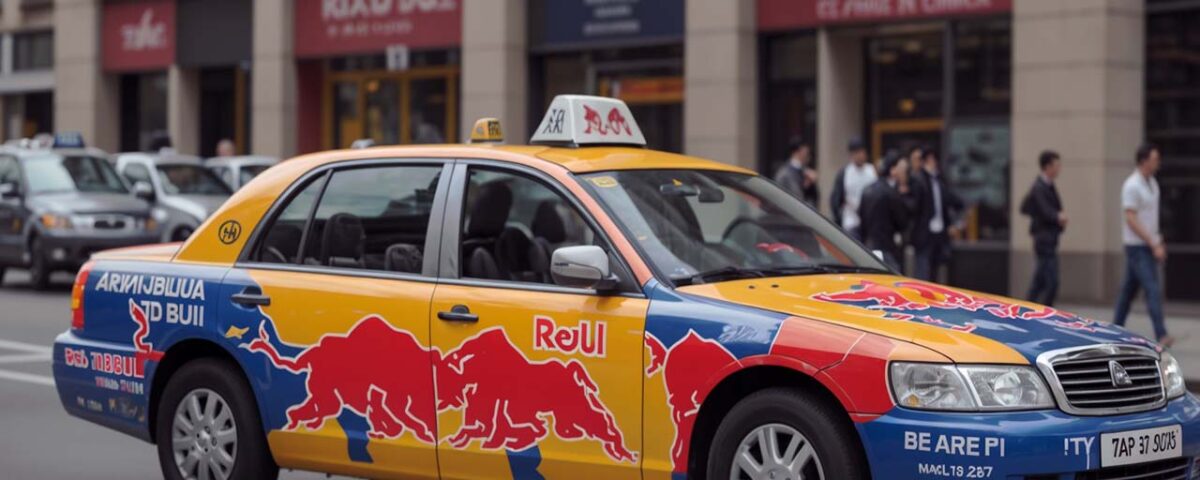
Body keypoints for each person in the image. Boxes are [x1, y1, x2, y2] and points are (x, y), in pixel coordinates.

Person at [1113, 144, 1173, 347]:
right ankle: (1161, 333)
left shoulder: (1152, 183)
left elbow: (1150, 217)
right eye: (1155, 159)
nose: (1158, 163)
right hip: (1137, 246)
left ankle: (1114, 328)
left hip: (1148, 243)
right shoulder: (1132, 185)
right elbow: (1131, 218)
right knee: (1152, 289)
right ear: (1143, 161)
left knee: (1128, 292)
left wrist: (1158, 240)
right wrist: (1152, 242)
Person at [1021, 150, 1066, 306]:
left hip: (1049, 238)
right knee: (1052, 282)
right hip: (1043, 238)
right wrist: (1058, 217)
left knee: (1039, 281)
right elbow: (1044, 210)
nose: (1058, 169)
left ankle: (1025, 309)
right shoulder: (1039, 187)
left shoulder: (1048, 185)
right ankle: (1044, 312)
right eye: (1056, 165)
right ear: (1047, 167)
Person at [858, 151, 916, 271]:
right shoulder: (892, 193)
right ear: (892, 170)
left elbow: (861, 218)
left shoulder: (867, 190)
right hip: (888, 247)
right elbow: (902, 222)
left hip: (869, 246)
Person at [911, 149, 962, 282]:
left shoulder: (939, 181)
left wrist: (954, 222)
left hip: (939, 233)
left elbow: (953, 201)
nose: (933, 163)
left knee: (935, 272)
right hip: (924, 234)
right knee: (923, 272)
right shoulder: (919, 180)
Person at [829, 138, 876, 239]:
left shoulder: (872, 171)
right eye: (856, 153)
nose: (860, 156)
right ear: (851, 155)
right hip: (851, 221)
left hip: (869, 223)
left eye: (861, 152)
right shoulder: (845, 173)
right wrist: (839, 218)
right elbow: (836, 200)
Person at [773, 136, 819, 207]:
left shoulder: (807, 172)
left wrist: (810, 185)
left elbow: (813, 199)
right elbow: (779, 197)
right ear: (796, 152)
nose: (808, 155)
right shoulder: (784, 173)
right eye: (805, 151)